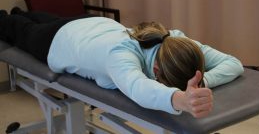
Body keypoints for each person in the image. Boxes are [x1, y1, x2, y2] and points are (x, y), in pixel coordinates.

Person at [0, 8, 244, 118]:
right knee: (19, 28)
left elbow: (234, 63)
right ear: (157, 71)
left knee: (40, 17)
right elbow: (137, 87)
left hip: (94, 25)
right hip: (58, 40)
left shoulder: (178, 42)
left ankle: (21, 12)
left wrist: (203, 82)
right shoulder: (120, 56)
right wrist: (179, 99)